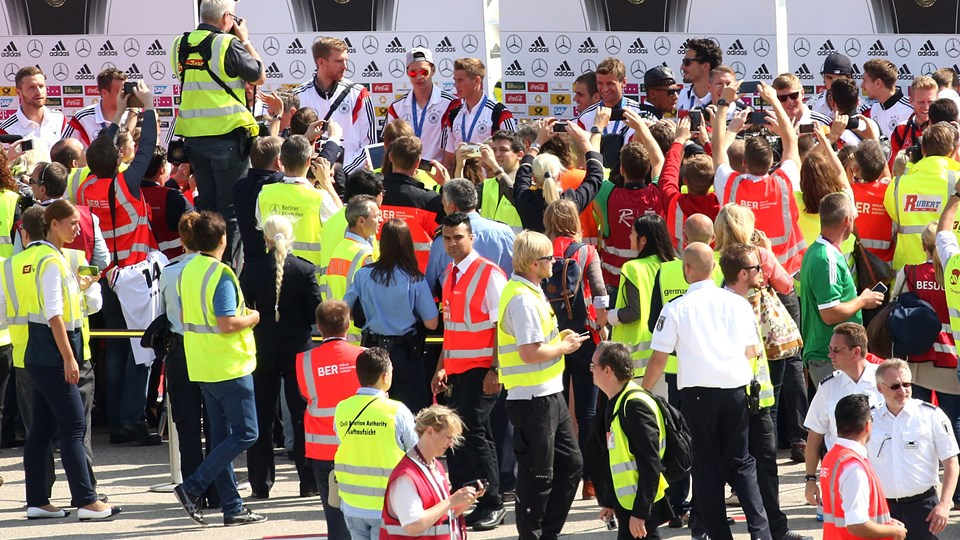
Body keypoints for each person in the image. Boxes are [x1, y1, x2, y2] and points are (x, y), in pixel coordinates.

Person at [643, 242, 772, 540]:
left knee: (706, 470)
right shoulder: (738, 304)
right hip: (736, 392)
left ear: (686, 270)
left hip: (698, 398)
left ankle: (718, 535)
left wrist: (640, 394)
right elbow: (751, 351)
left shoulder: (676, 309)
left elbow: (659, 359)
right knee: (742, 465)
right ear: (714, 268)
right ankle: (761, 533)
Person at [14, 199, 118, 521]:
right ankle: (86, 501)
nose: (77, 228)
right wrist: (70, 359)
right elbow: (55, 316)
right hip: (54, 354)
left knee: (43, 429)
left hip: (37, 354)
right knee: (73, 427)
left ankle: (38, 501)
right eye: (72, 223)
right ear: (54, 224)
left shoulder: (46, 258)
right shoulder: (52, 261)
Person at [77, 81, 161, 446]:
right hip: (132, 278)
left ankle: (114, 418)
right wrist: (148, 107)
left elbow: (100, 149)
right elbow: (145, 149)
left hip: (102, 277)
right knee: (140, 350)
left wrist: (123, 114)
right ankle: (131, 421)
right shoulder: (126, 184)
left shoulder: (83, 186)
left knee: (115, 346)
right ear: (117, 162)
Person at [173, 211, 264, 527]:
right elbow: (226, 322)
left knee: (222, 436)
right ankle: (193, 486)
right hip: (228, 364)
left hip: (202, 364)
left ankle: (232, 506)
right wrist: (252, 317)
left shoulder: (190, 269)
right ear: (223, 239)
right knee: (247, 432)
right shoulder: (221, 274)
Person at [497, 230, 587, 540]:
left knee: (571, 464)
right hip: (533, 398)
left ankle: (545, 533)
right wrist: (562, 348)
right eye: (549, 257)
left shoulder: (530, 290)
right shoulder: (523, 299)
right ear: (535, 264)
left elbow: (536, 344)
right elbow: (529, 352)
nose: (554, 262)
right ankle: (534, 535)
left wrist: (560, 341)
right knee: (539, 475)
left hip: (547, 393)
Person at [720, 243, 809, 540]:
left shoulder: (754, 299)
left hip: (760, 401)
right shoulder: (726, 305)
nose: (764, 272)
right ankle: (711, 526)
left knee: (766, 465)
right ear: (744, 273)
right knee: (729, 466)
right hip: (735, 401)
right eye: (758, 268)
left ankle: (775, 529)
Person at [171, 0, 266, 267]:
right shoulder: (227, 44)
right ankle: (227, 276)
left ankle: (205, 269)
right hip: (226, 140)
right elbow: (259, 75)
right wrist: (245, 40)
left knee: (206, 210)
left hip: (195, 141)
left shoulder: (180, 44)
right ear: (227, 17)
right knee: (230, 213)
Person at [429, 211, 507, 530]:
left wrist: (495, 369)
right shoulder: (450, 274)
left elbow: (501, 326)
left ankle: (493, 502)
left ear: (471, 237)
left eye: (458, 237)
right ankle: (470, 499)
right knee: (464, 435)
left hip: (481, 369)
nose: (452, 243)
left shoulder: (489, 274)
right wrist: (441, 367)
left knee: (473, 430)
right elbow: (451, 329)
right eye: (447, 238)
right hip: (458, 369)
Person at [239, 214, 321, 499]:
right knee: (302, 417)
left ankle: (261, 485)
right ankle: (309, 481)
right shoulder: (304, 270)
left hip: (261, 350)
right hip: (299, 350)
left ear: (265, 239)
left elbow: (243, 309)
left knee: (261, 418)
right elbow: (315, 312)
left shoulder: (251, 269)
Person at [158, 212, 220, 512]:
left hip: (179, 349)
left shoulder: (169, 271)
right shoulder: (214, 269)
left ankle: (194, 488)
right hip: (208, 347)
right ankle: (217, 488)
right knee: (214, 420)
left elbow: (163, 315)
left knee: (186, 424)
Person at [712, 80, 806, 275]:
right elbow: (791, 142)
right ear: (772, 160)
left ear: (744, 162)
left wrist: (723, 104)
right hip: (784, 273)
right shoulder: (784, 180)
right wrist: (773, 101)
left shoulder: (731, 184)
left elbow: (717, 149)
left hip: (742, 276)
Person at [345, 218, 438, 415]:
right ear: (407, 244)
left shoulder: (363, 275)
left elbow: (348, 311)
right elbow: (432, 323)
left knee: (374, 410)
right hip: (405, 355)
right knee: (411, 413)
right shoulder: (415, 279)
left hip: (372, 353)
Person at [867, 359, 959, 540]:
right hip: (883, 509)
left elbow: (951, 462)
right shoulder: (869, 418)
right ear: (880, 388)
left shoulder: (931, 415)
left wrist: (945, 503)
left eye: (907, 384)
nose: (902, 391)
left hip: (923, 508)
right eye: (895, 386)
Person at [334, 347, 418, 540]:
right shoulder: (397, 410)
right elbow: (417, 453)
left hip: (352, 503)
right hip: (388, 505)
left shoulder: (342, 408)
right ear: (385, 376)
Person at [800, 193, 884, 385]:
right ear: (847, 221)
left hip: (832, 354)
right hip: (830, 356)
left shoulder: (819, 251)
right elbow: (829, 313)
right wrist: (863, 301)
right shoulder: (826, 259)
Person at [591, 342, 672, 540]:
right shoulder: (616, 402)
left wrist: (640, 513)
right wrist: (610, 501)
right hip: (627, 502)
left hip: (641, 504)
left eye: (593, 365)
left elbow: (650, 461)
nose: (591, 370)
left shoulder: (634, 405)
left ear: (608, 370)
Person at [297, 300, 362, 540]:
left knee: (334, 515)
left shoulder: (305, 361)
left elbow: (306, 395)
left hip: (322, 449)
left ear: (318, 327)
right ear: (348, 324)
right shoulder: (363, 356)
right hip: (359, 445)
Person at [803, 323, 884, 511]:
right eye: (829, 349)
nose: (830, 355)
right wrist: (810, 479)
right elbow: (815, 437)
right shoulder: (828, 387)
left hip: (882, 476)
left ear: (856, 352)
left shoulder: (885, 380)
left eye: (836, 350)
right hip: (842, 477)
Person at [381, 405, 479, 540]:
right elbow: (413, 525)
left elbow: (442, 516)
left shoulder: (434, 465)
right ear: (430, 432)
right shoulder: (406, 476)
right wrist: (451, 501)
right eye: (448, 437)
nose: (451, 443)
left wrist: (464, 501)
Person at [819, 394, 908, 540]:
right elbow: (857, 525)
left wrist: (886, 524)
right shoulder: (854, 467)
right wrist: (893, 532)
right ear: (868, 425)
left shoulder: (833, 457)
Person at [255, 134, 343, 282]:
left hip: (274, 274)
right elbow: (343, 223)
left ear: (281, 161)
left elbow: (260, 226)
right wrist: (327, 183)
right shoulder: (319, 198)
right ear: (309, 161)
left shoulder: (265, 193)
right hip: (309, 278)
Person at [293, 37, 376, 174]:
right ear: (321, 62)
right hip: (308, 178)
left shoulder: (358, 93)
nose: (345, 66)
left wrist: (341, 172)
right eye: (339, 61)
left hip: (347, 177)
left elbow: (370, 145)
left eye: (346, 60)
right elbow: (290, 143)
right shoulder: (298, 96)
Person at [609, 215, 675, 384]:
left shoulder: (633, 267)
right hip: (671, 360)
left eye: (632, 233)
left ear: (643, 239)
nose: (629, 236)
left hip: (638, 364)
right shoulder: (676, 265)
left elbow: (634, 312)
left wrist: (608, 317)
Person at [515, 116, 609, 235]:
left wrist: (538, 142)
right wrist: (583, 140)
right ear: (560, 175)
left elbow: (523, 170)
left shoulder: (525, 200)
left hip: (535, 252)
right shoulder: (570, 202)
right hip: (566, 253)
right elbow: (596, 175)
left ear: (533, 177)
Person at [885, 123, 960, 271]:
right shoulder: (957, 182)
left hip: (907, 272)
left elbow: (894, 214)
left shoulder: (898, 184)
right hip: (947, 269)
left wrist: (909, 167)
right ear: (952, 150)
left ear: (923, 149)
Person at [381, 136, 446, 273]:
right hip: (418, 278)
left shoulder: (373, 195)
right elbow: (454, 225)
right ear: (417, 164)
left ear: (390, 157)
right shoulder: (430, 201)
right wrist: (445, 184)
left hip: (376, 275)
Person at [441, 58, 517, 169]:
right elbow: (448, 160)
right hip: (461, 182)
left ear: (477, 81)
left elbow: (513, 155)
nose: (455, 85)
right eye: (455, 80)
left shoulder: (500, 114)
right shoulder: (453, 115)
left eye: (460, 80)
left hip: (489, 183)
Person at [384, 47, 457, 163]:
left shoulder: (451, 103)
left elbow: (452, 149)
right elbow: (388, 146)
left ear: (433, 70)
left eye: (424, 72)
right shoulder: (396, 107)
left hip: (436, 173)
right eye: (413, 72)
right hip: (406, 172)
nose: (419, 77)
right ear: (407, 72)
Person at [319, 170, 384, 298]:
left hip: (328, 295)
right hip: (350, 302)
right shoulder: (363, 226)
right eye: (380, 193)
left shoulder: (332, 219)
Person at [660, 118, 720, 253]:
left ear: (685, 180)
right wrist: (706, 142)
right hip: (711, 267)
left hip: (678, 267)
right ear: (713, 181)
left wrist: (679, 140)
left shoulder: (673, 201)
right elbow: (723, 173)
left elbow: (668, 174)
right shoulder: (721, 202)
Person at [575, 58, 643, 173]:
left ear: (624, 82)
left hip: (627, 180)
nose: (604, 89)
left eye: (610, 83)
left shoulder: (639, 113)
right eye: (600, 83)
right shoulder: (586, 117)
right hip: (596, 181)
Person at [327, 195, 379, 342]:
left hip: (338, 329)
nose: (380, 220)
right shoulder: (365, 254)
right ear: (361, 221)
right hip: (358, 334)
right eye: (376, 216)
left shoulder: (339, 249)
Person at [141, 146, 193, 262]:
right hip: (175, 265)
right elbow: (198, 227)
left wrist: (174, 183)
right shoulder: (173, 198)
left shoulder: (128, 193)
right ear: (162, 170)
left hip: (140, 267)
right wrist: (194, 192)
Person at [851, 140, 895, 264]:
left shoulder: (851, 193)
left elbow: (840, 176)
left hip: (858, 263)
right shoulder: (889, 190)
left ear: (856, 169)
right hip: (886, 266)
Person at [0, 66, 65, 149]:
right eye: (32, 88)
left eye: (41, 86)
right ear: (18, 92)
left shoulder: (59, 119)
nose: (38, 92)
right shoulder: (7, 130)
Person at [61, 68, 127, 148]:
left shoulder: (132, 115)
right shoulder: (82, 118)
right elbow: (63, 151)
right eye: (121, 91)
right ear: (104, 93)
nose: (125, 95)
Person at [477, 131, 525, 233]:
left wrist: (495, 167)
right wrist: (460, 165)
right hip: (488, 245)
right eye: (494, 150)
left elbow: (515, 196)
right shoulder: (486, 184)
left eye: (503, 150)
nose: (497, 154)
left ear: (519, 155)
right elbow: (461, 206)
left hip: (517, 245)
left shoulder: (527, 184)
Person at [888, 77, 939, 169]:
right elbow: (894, 167)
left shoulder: (943, 131)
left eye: (930, 102)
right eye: (921, 102)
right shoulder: (901, 130)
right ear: (911, 101)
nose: (926, 107)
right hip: (908, 182)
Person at [862, 59, 914, 138]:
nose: (862, 85)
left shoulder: (911, 110)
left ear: (878, 83)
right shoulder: (873, 109)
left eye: (864, 81)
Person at [677, 38, 724, 113]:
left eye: (687, 62)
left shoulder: (726, 101)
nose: (682, 67)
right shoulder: (682, 95)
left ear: (705, 66)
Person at [807, 53, 853, 118]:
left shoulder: (861, 109)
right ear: (824, 77)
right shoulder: (810, 105)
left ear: (849, 78)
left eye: (838, 78)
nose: (833, 83)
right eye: (829, 78)